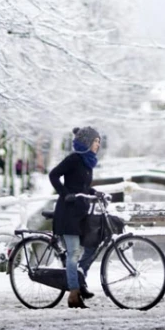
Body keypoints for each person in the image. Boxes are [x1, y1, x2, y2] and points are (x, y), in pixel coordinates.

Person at [49, 126, 102, 309]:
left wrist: (94, 192)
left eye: (99, 142)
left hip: (81, 212)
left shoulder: (88, 162)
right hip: (68, 212)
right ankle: (73, 293)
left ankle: (79, 280)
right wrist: (65, 194)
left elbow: (81, 186)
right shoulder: (74, 159)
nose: (98, 145)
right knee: (73, 254)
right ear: (87, 143)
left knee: (91, 246)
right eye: (96, 141)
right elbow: (53, 175)